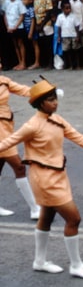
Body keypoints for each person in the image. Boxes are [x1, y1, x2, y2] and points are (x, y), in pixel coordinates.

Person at [0, 78, 83, 278]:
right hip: (44, 178)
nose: (55, 103)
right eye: (50, 100)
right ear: (39, 103)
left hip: (59, 174)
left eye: (55, 98)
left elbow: (79, 138)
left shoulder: (58, 120)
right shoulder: (32, 125)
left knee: (46, 217)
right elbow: (8, 142)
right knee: (73, 218)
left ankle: (40, 261)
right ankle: (76, 264)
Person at [0, 74, 40, 218]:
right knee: (19, 166)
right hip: (1, 132)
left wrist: (44, 92)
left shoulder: (4, 81)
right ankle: (34, 208)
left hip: (6, 126)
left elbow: (24, 90)